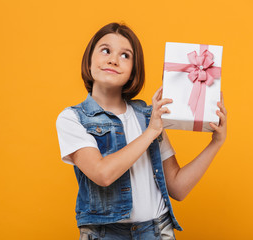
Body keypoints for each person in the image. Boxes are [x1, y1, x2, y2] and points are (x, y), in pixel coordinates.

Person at [56, 22, 227, 240]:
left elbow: (178, 188)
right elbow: (103, 174)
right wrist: (151, 131)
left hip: (157, 231)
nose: (113, 60)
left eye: (125, 55)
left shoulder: (149, 116)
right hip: (105, 234)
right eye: (105, 50)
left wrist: (216, 143)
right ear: (89, 60)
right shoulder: (72, 118)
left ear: (133, 71)